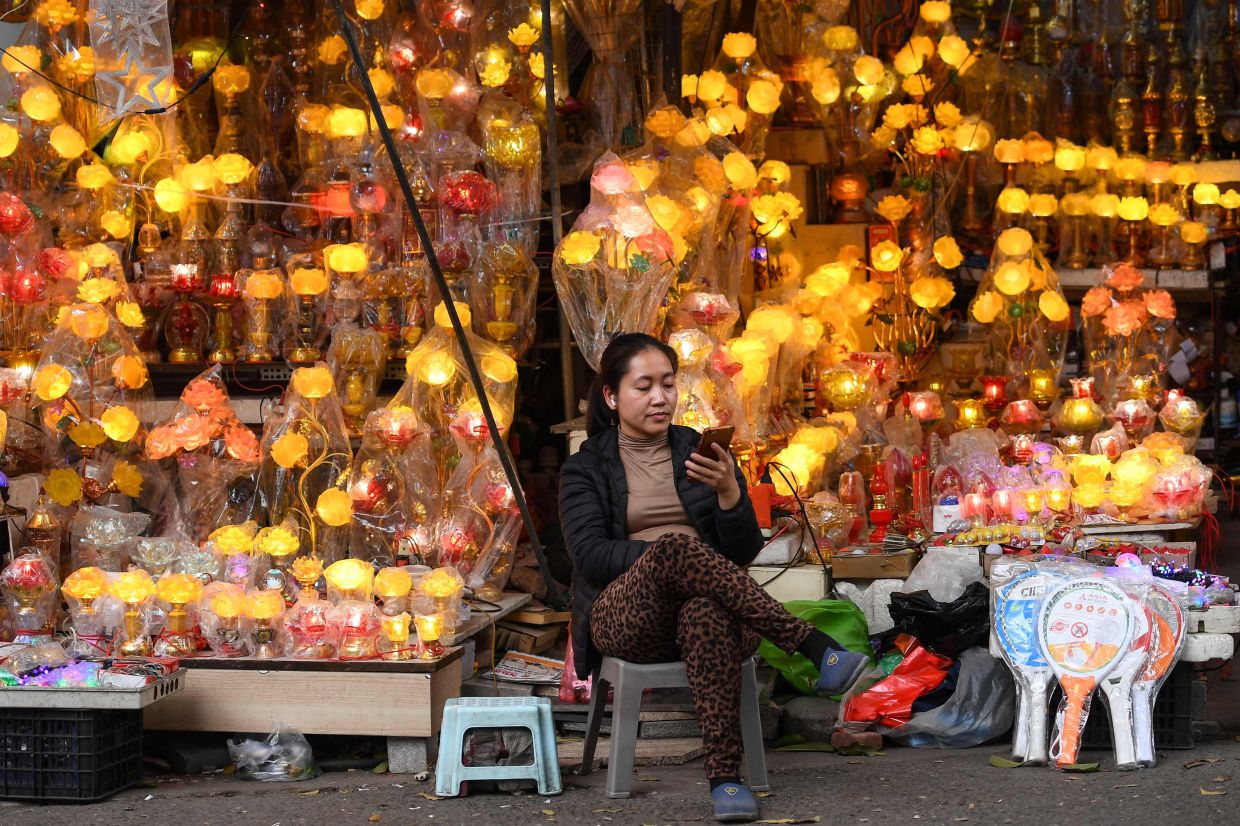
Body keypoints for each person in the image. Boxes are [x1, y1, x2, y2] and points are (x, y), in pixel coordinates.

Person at [559, 333, 868, 824]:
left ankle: (725, 779)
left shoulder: (697, 451)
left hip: (711, 609)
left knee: (704, 609)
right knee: (678, 548)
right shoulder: (585, 468)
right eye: (644, 387)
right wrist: (663, 560)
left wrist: (729, 493)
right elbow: (591, 555)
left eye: (667, 384)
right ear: (612, 396)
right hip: (626, 615)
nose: (661, 398)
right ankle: (811, 645)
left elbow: (743, 551)